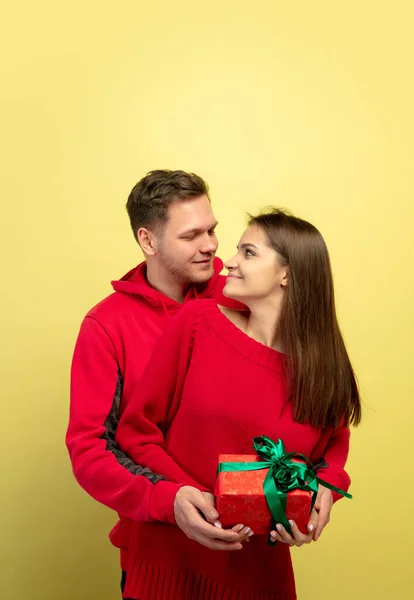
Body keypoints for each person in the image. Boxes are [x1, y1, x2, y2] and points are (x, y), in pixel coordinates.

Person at [116, 208, 362, 600]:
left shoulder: (321, 367)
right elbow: (136, 431)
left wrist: (324, 492)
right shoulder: (197, 323)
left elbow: (332, 451)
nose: (226, 261)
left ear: (287, 274)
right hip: (169, 564)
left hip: (258, 578)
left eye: (248, 252)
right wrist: (187, 498)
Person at [66, 170, 249, 595]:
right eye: (191, 236)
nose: (210, 245)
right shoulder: (106, 326)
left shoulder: (241, 298)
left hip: (249, 548)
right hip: (156, 553)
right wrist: (166, 500)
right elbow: (92, 449)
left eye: (212, 230)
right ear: (148, 241)